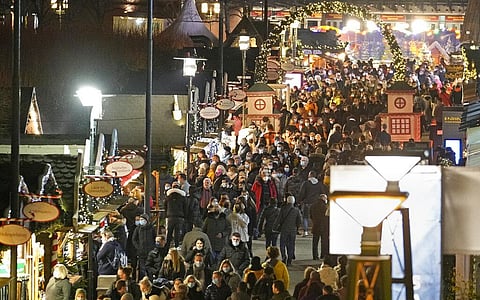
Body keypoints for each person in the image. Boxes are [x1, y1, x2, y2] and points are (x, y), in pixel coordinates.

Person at [274, 195, 302, 266]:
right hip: (293, 230)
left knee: (282, 244)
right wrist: (297, 227)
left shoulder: (283, 209)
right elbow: (299, 221)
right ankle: (290, 260)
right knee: (291, 244)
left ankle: (284, 257)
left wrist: (274, 227)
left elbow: (278, 219)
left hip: (284, 229)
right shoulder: (296, 210)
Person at [298, 171, 326, 236]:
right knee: (315, 217)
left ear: (309, 175)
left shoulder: (306, 183)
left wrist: (299, 201)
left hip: (307, 203)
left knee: (305, 217)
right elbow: (323, 193)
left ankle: (305, 231)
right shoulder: (319, 184)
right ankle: (315, 230)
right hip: (316, 204)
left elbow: (302, 193)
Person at [132, 213, 156, 280]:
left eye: (142, 219)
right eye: (140, 219)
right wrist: (138, 247)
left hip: (150, 251)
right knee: (142, 269)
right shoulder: (138, 229)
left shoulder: (151, 228)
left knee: (149, 268)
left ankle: (150, 280)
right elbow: (134, 239)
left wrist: (153, 247)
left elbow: (154, 238)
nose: (141, 221)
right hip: (141, 252)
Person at [164, 182, 188, 248]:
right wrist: (184, 216)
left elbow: (165, 206)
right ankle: (176, 247)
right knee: (177, 233)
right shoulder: (182, 197)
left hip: (170, 217)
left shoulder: (168, 197)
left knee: (169, 232)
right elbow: (185, 208)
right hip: (179, 217)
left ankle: (167, 246)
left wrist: (166, 215)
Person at [310, 194, 329, 260]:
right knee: (324, 242)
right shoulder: (325, 207)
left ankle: (315, 256)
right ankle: (323, 255)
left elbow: (311, 216)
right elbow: (327, 217)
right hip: (324, 227)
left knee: (315, 242)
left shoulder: (313, 206)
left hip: (315, 226)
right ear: (324, 199)